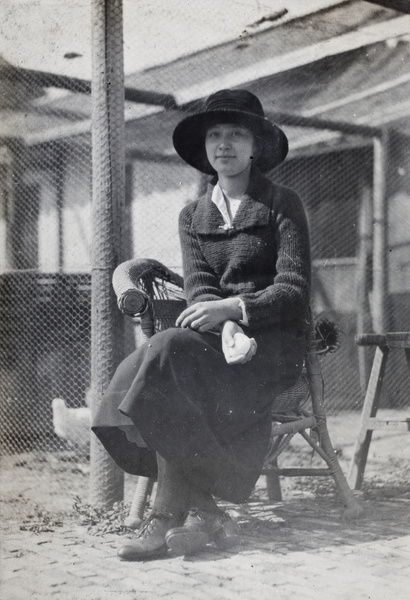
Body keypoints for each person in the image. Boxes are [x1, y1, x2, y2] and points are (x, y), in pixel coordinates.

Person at [92, 88, 311, 561]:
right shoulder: (192, 215)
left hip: (272, 347)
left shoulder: (282, 204)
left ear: (256, 146)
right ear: (206, 148)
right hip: (217, 344)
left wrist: (236, 313)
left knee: (165, 355)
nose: (224, 144)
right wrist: (225, 326)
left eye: (236, 134)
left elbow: (293, 289)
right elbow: (200, 288)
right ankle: (208, 514)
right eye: (215, 135)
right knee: (146, 372)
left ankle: (165, 517)